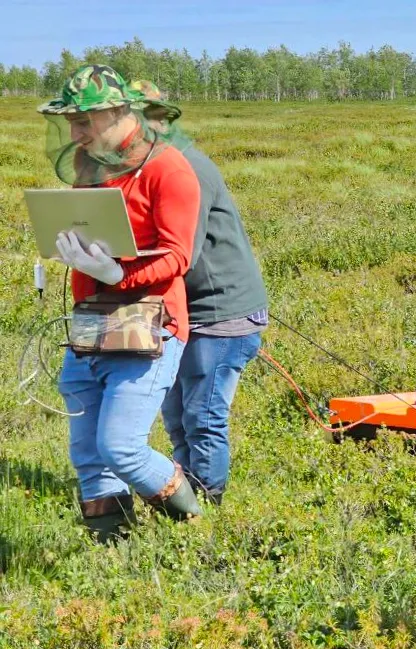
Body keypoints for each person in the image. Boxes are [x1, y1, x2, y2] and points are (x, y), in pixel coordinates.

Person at [41, 65, 203, 542]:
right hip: (89, 326)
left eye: (82, 122)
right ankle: (112, 549)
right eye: (68, 122)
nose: (74, 133)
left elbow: (178, 256)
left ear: (115, 113)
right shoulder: (91, 170)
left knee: (121, 447)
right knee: (90, 453)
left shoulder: (168, 169)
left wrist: (119, 274)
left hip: (149, 327)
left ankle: (192, 528)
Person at [127, 80, 269, 506]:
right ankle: (185, 500)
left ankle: (207, 508)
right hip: (180, 315)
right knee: (176, 417)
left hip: (222, 315)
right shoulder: (144, 169)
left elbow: (178, 252)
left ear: (158, 122)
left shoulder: (184, 168)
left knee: (202, 417)